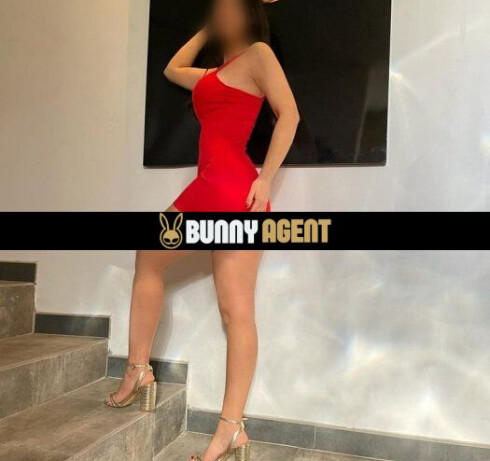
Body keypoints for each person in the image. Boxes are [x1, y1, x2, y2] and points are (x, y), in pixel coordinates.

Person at [106, 1, 299, 460]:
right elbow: (173, 69)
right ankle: (145, 373)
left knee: (236, 311)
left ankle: (224, 425)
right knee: (156, 260)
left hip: (233, 188)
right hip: (212, 185)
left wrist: (266, 178)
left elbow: (289, 115)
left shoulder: (257, 54)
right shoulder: (215, 74)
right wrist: (207, 30)